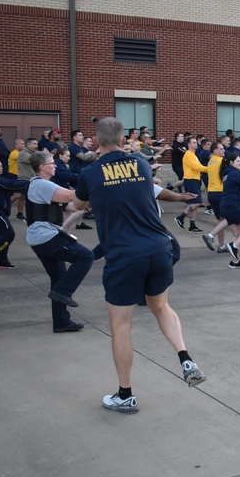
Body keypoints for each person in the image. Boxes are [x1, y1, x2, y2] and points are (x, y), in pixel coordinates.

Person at [74, 117, 205, 415]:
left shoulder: (90, 173)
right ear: (123, 140)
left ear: (96, 142)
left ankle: (126, 395)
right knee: (160, 306)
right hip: (159, 248)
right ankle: (185, 357)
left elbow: (78, 205)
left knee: (120, 325)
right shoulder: (142, 166)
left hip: (123, 255)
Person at [25, 151, 94, 333]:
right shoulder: (41, 184)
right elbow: (71, 196)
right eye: (51, 163)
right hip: (47, 238)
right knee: (86, 256)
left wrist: (89, 206)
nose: (55, 165)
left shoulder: (43, 186)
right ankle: (63, 293)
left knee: (58, 278)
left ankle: (61, 322)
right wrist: (93, 187)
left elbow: (70, 206)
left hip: (40, 239)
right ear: (41, 167)